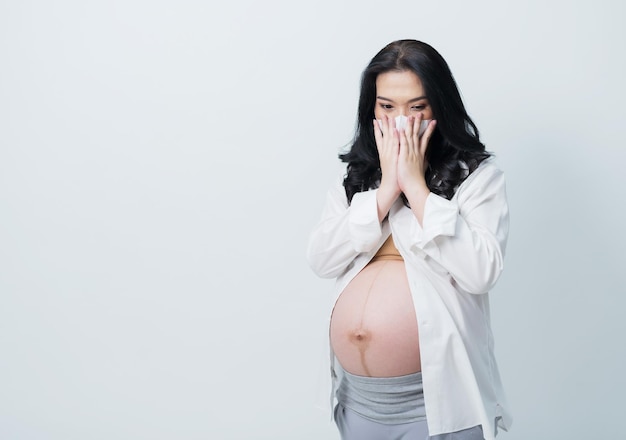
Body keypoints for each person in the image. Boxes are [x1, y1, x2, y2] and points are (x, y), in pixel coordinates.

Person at [306, 40, 512, 440]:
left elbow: (480, 272)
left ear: (440, 106)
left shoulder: (477, 178)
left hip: (436, 406)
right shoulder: (355, 181)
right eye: (387, 107)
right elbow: (321, 258)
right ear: (371, 110)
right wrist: (385, 192)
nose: (402, 121)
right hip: (357, 403)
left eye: (417, 107)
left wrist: (416, 189)